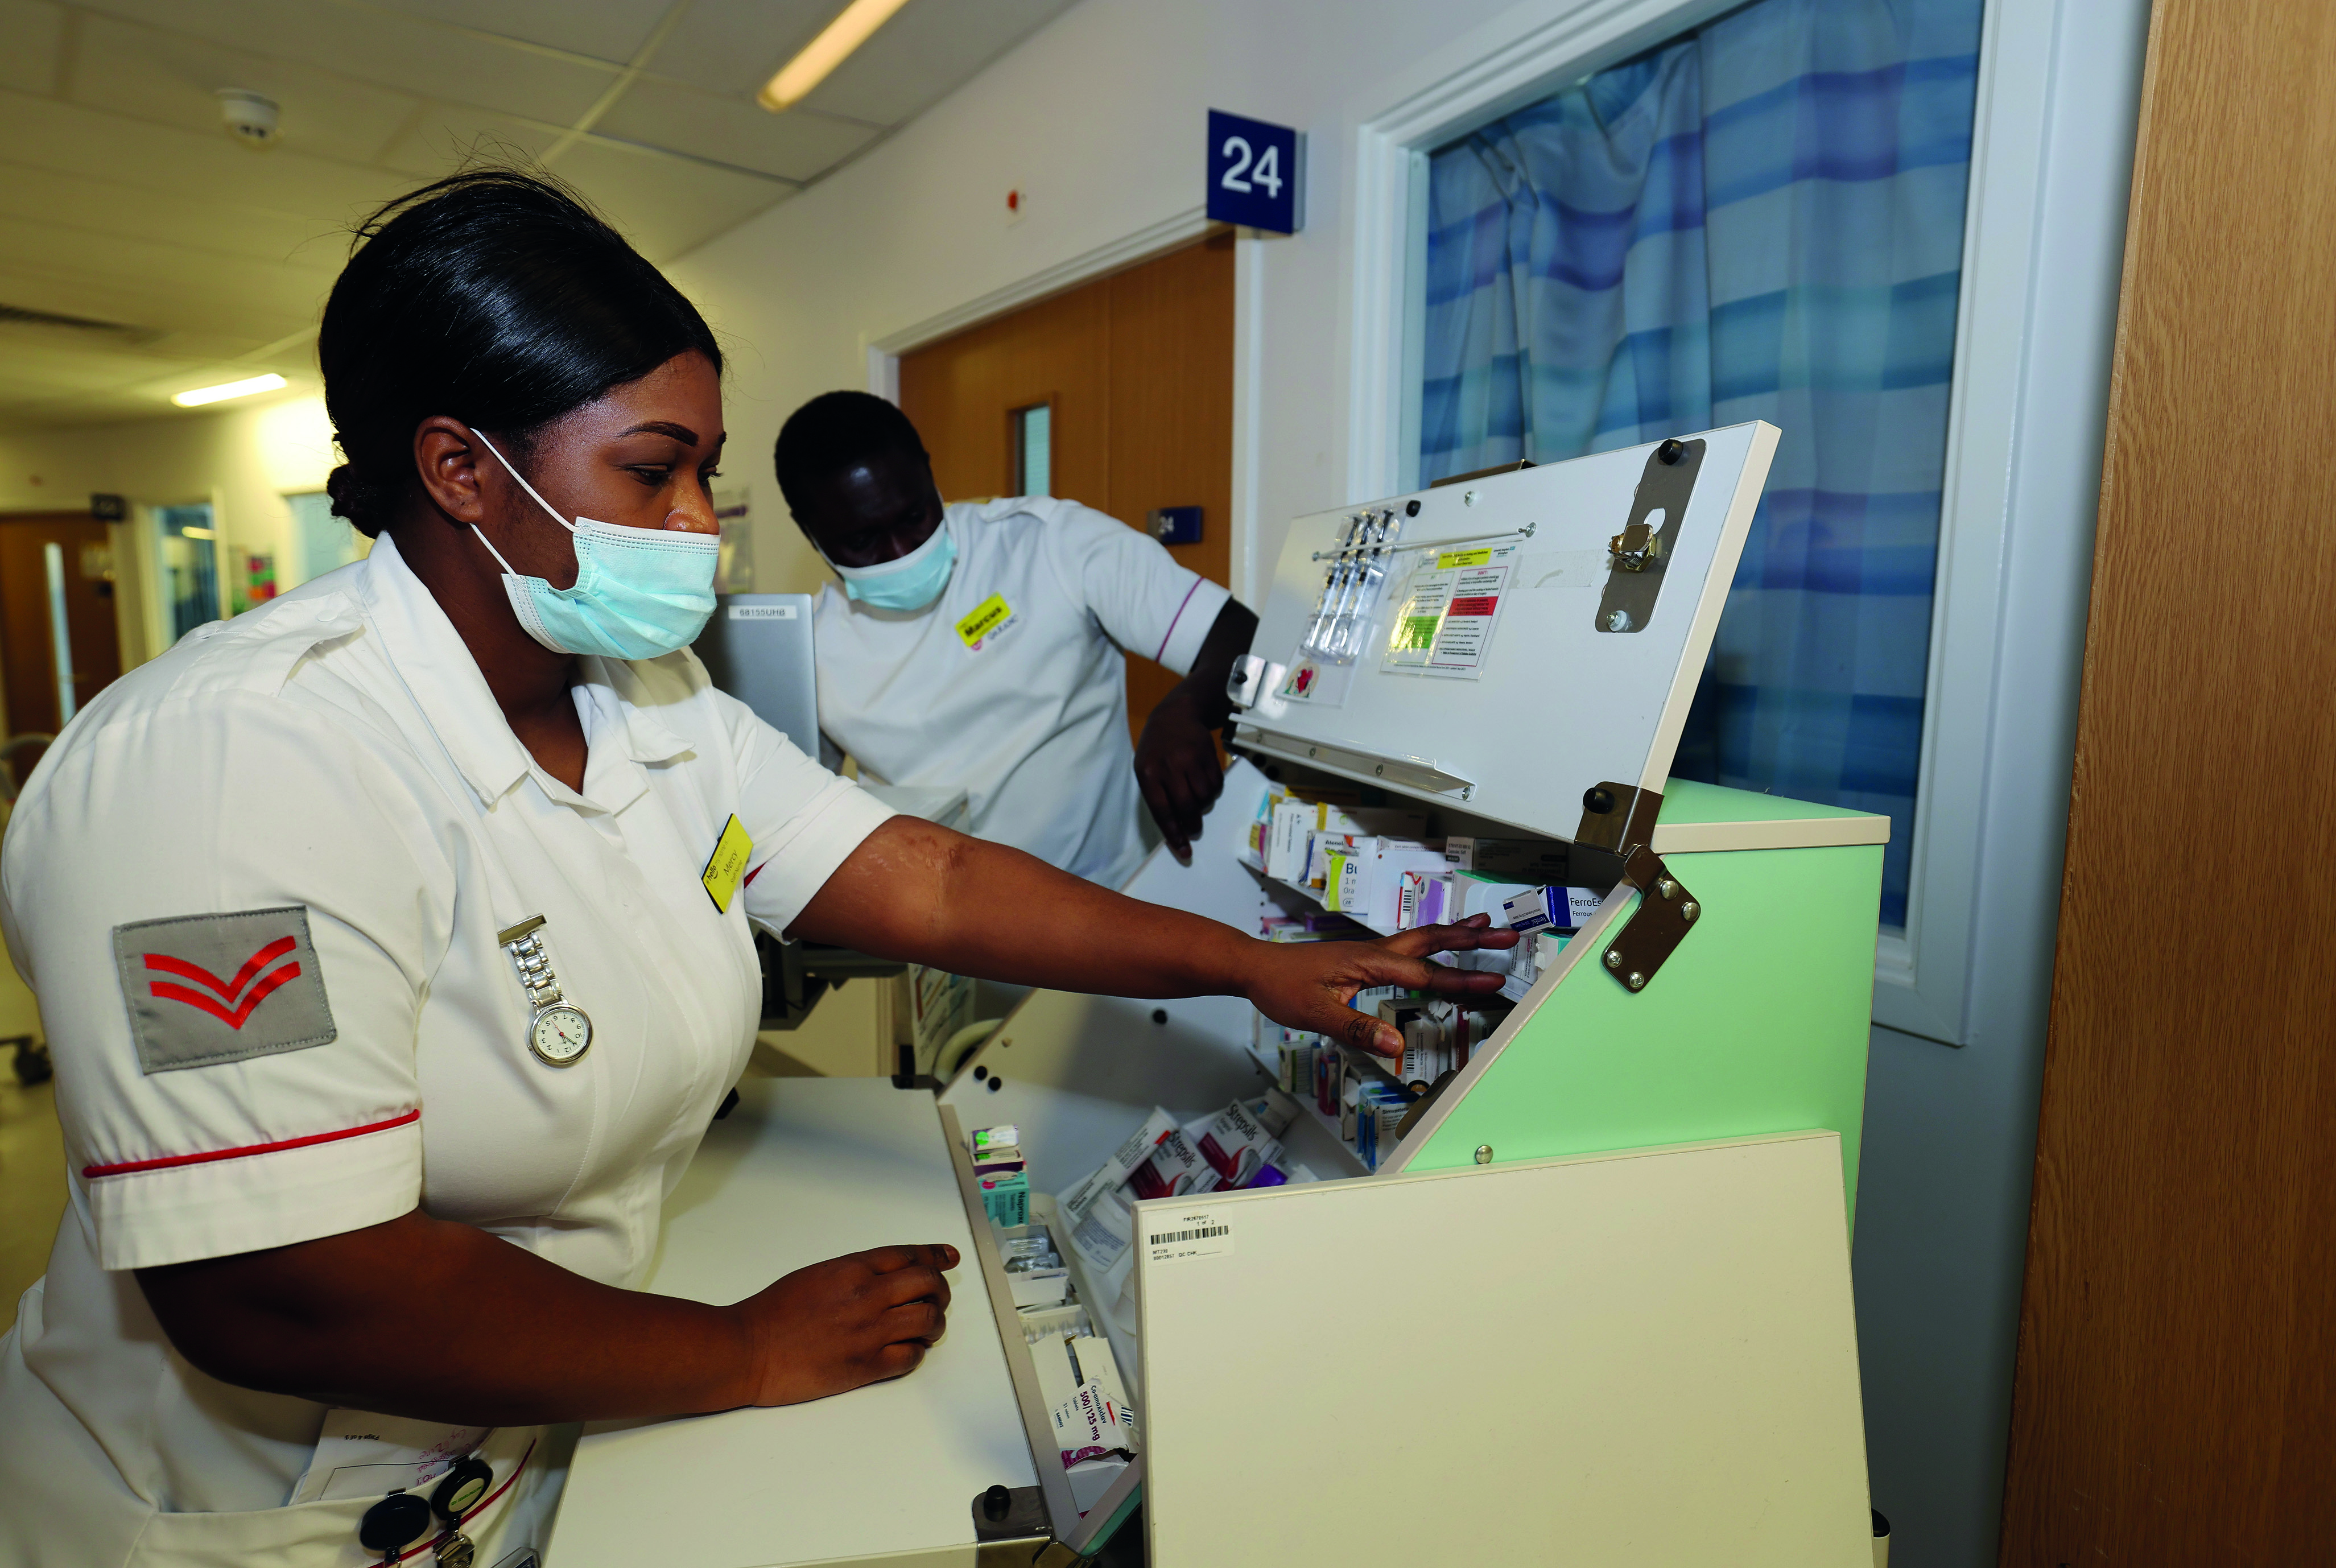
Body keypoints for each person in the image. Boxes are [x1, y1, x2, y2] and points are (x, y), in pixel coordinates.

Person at [0, 171, 1516, 1567]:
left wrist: (1250, 961)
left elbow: (917, 878)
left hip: (536, 1448)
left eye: (704, 478)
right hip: (256, 1517)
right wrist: (738, 1348)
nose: (697, 534)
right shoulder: (221, 768)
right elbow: (281, 1281)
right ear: (460, 468)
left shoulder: (645, 704)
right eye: (653, 472)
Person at [774, 393, 1252, 882]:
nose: (903, 553)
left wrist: (1184, 708)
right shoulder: (806, 648)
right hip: (944, 938)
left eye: (914, 517)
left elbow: (1242, 638)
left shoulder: (1048, 542)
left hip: (1116, 894)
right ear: (809, 531)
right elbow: (792, 810)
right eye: (863, 541)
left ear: (928, 471)